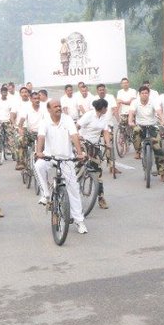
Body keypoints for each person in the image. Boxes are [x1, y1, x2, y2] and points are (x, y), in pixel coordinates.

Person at [35, 98, 89, 234]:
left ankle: (79, 221)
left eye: (59, 106)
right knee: (38, 166)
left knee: (74, 190)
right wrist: (39, 151)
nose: (58, 108)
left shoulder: (68, 119)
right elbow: (41, 137)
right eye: (55, 106)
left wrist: (80, 152)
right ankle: (46, 194)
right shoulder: (45, 121)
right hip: (49, 157)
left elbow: (74, 135)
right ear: (49, 109)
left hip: (66, 158)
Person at [77, 97, 114, 210]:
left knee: (98, 173)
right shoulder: (89, 115)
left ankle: (101, 198)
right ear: (102, 108)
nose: (107, 109)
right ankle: (71, 190)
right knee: (78, 167)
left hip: (95, 146)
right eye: (106, 107)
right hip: (83, 143)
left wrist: (108, 143)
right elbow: (77, 126)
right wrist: (77, 136)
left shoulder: (103, 117)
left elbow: (105, 131)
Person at [130, 84, 164, 178]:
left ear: (149, 94)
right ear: (139, 94)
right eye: (142, 93)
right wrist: (130, 122)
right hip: (140, 127)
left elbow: (159, 112)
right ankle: (137, 150)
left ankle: (162, 173)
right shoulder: (135, 102)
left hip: (152, 127)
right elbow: (131, 113)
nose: (144, 94)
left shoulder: (153, 102)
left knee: (158, 149)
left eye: (146, 93)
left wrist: (163, 120)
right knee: (136, 130)